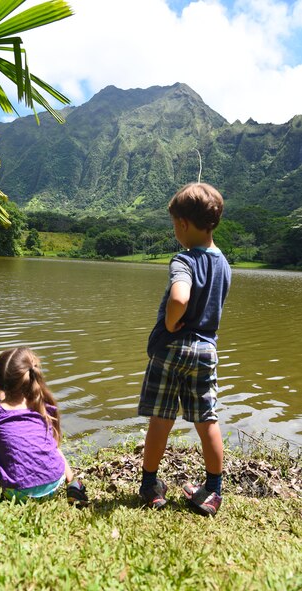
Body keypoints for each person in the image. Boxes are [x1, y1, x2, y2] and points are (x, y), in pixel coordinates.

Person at [138, 182, 231, 516]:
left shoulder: (183, 260)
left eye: (174, 223)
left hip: (173, 349)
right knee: (207, 420)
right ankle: (212, 491)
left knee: (161, 418)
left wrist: (171, 321)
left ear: (182, 225)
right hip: (206, 350)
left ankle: (150, 486)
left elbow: (180, 296)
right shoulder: (225, 265)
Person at [0, 347, 88, 506]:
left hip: (17, 494)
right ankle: (72, 482)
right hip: (54, 484)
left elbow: (3, 401)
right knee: (52, 444)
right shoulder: (40, 405)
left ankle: (10, 484)